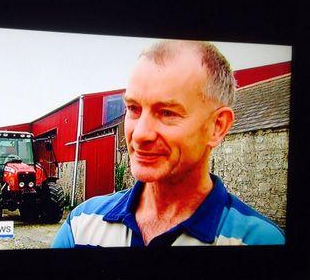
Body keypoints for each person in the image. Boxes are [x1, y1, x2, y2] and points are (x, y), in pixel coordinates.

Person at [51, 40, 285, 247]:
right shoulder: (81, 226)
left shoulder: (260, 241)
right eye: (133, 108)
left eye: (167, 112)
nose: (140, 134)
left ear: (217, 126)